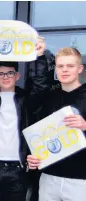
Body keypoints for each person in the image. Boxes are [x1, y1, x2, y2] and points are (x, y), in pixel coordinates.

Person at [0, 32, 48, 201]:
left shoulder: (25, 99)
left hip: (16, 169)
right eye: (1, 74)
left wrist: (39, 57)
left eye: (10, 73)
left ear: (17, 76)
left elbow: (40, 86)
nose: (6, 77)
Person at [27, 47, 86, 200]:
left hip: (80, 179)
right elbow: (40, 135)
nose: (64, 70)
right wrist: (34, 156)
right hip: (48, 177)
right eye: (60, 66)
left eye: (70, 66)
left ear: (80, 68)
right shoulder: (48, 98)